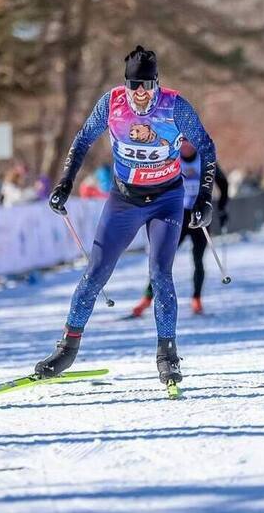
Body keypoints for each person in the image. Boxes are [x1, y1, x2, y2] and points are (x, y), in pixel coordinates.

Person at [35, 45, 217, 388]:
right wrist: (65, 183)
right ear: (126, 84)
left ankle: (167, 354)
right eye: (135, 86)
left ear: (157, 83)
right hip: (124, 199)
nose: (141, 94)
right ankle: (67, 348)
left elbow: (206, 147)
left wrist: (205, 198)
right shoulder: (112, 103)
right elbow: (82, 140)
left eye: (147, 86)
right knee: (95, 274)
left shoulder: (175, 106)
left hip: (166, 199)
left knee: (160, 274)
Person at [131, 140, 229, 317]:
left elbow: (223, 183)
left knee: (198, 259)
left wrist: (222, 208)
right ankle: (147, 299)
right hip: (178, 216)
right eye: (182, 143)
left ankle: (197, 299)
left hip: (199, 215)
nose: (186, 146)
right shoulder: (172, 159)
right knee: (163, 258)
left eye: (189, 142)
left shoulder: (205, 160)